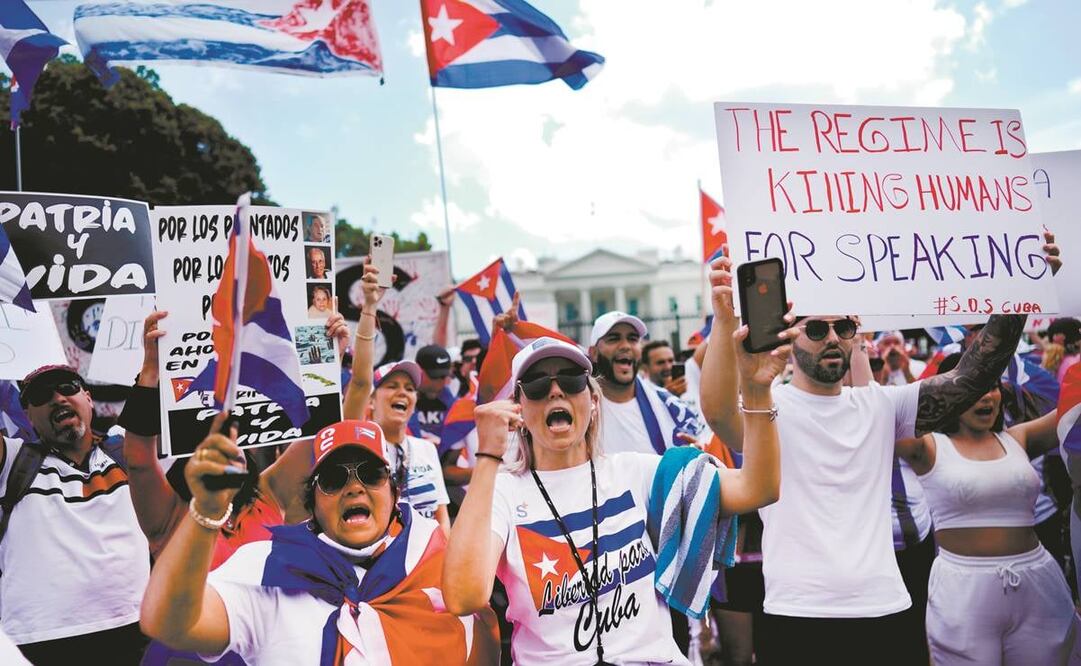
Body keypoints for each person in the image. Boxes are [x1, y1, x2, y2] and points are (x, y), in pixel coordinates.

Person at [699, 231, 1060, 665]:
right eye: (817, 329)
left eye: (843, 327)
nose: (833, 338)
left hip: (887, 607)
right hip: (796, 611)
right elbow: (718, 412)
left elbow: (972, 378)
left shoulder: (884, 405)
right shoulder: (767, 406)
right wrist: (723, 318)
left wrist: (1021, 290)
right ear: (791, 336)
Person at [442, 327, 790, 665]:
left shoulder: (636, 472)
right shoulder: (502, 491)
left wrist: (757, 390)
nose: (555, 391)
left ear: (593, 401)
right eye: (536, 384)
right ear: (517, 407)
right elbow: (463, 597)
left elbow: (758, 487)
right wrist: (487, 456)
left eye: (571, 380)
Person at [140, 415, 498, 665]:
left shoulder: (435, 558)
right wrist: (205, 511)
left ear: (394, 491)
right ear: (312, 503)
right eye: (333, 479)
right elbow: (168, 624)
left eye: (370, 474)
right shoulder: (267, 568)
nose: (354, 487)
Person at [122, 308, 349, 567]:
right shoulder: (169, 514)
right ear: (194, 461)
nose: (230, 446)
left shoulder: (267, 495)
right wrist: (151, 371)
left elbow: (317, 439)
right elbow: (138, 458)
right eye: (217, 442)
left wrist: (328, 363)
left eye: (235, 435)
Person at [896, 353, 1075, 665]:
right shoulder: (927, 447)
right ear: (947, 393)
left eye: (992, 386)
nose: (986, 396)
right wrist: (857, 347)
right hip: (963, 591)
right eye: (972, 386)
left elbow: (1072, 412)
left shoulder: (1018, 438)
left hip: (1039, 585)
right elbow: (875, 414)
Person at [2, 366, 150, 664]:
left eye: (68, 387)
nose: (58, 398)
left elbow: (159, 405)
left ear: (88, 398)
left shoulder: (127, 452)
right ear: (28, 415)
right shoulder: (14, 461)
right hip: (39, 640)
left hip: (135, 630)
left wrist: (152, 366)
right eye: (41, 395)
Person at [589, 311, 704, 456]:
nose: (625, 346)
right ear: (594, 353)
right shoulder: (580, 410)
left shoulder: (672, 409)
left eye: (633, 339)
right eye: (613, 339)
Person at [413, 344, 458, 445]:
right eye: (435, 376)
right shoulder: (401, 401)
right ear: (418, 371)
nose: (441, 381)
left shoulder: (455, 406)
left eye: (444, 376)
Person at [1047, 317, 1081, 383]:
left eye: (1056, 334)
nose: (1054, 338)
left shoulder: (1071, 362)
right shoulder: (1061, 357)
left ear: (1068, 335)